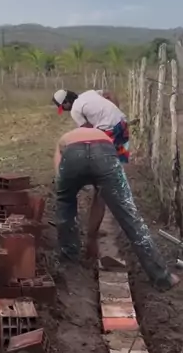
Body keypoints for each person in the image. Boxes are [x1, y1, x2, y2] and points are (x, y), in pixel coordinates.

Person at [53, 126, 178, 290]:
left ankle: (70, 267)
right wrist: (91, 238)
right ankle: (162, 277)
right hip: (103, 152)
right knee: (129, 214)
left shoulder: (64, 141)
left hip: (72, 154)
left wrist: (91, 237)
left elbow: (59, 179)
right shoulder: (101, 136)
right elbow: (101, 198)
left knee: (65, 204)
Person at [52, 88, 129, 245]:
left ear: (66, 102)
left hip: (108, 133)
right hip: (122, 126)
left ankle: (91, 237)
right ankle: (113, 184)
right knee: (115, 172)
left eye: (62, 107)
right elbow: (109, 93)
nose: (64, 110)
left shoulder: (75, 110)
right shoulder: (90, 93)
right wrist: (113, 111)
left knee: (101, 183)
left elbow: (88, 133)